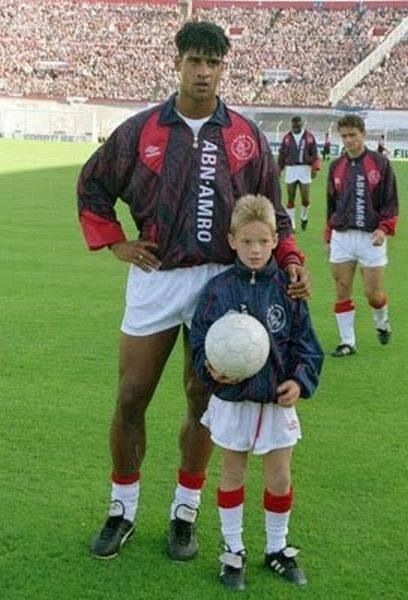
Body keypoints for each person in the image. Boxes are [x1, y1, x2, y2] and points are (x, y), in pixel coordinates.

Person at [77, 21, 310, 562]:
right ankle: (122, 509)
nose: (203, 72)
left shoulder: (245, 136)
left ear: (223, 67)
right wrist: (116, 244)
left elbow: (272, 212)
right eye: (194, 61)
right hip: (157, 277)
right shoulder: (140, 131)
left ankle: (185, 512)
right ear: (177, 62)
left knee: (203, 402)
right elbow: (92, 185)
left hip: (221, 284)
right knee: (132, 396)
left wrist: (291, 259)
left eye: (213, 62)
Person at [190, 195, 323, 590]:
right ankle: (233, 550)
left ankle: (277, 548)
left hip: (275, 402)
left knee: (279, 477)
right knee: (232, 472)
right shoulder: (217, 291)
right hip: (232, 402)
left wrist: (299, 381)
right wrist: (210, 370)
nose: (255, 249)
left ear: (275, 241)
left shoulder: (289, 289)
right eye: (247, 241)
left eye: (263, 242)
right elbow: (199, 341)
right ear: (231, 240)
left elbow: (307, 345)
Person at [325, 115, 398, 357]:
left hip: (371, 237)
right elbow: (331, 204)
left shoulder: (380, 164)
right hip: (342, 237)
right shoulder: (336, 166)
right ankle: (348, 342)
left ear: (363, 135)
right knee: (342, 288)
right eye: (344, 136)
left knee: (373, 294)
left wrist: (384, 228)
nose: (348, 141)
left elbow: (390, 201)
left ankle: (382, 322)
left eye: (353, 135)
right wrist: (329, 234)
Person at [278, 116, 320, 232]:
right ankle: (292, 224)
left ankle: (304, 217)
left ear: (302, 125)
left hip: (304, 169)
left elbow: (315, 154)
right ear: (291, 125)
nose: (295, 128)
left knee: (305, 198)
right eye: (294, 126)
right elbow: (282, 155)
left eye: (298, 126)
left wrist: (314, 168)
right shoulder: (287, 138)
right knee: (290, 199)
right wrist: (279, 169)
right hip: (291, 169)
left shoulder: (309, 137)